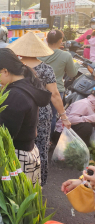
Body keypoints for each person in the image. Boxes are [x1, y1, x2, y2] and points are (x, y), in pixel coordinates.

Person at [7, 32, 71, 186]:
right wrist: (64, 116)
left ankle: (17, 182)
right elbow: (55, 95)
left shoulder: (13, 69)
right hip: (41, 113)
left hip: (18, 112)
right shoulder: (46, 69)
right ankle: (38, 183)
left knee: (17, 148)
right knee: (40, 149)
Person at [0, 48, 52, 185]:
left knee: (16, 200)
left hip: (17, 157)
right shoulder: (27, 84)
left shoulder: (14, 95)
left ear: (5, 71)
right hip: (29, 152)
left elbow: (6, 134)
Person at [39, 29, 79, 133]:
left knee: (37, 115)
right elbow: (72, 74)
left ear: (47, 39)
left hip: (39, 89)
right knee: (52, 116)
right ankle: (49, 140)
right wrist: (77, 64)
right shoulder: (66, 55)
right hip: (57, 89)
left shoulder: (38, 53)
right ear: (61, 40)